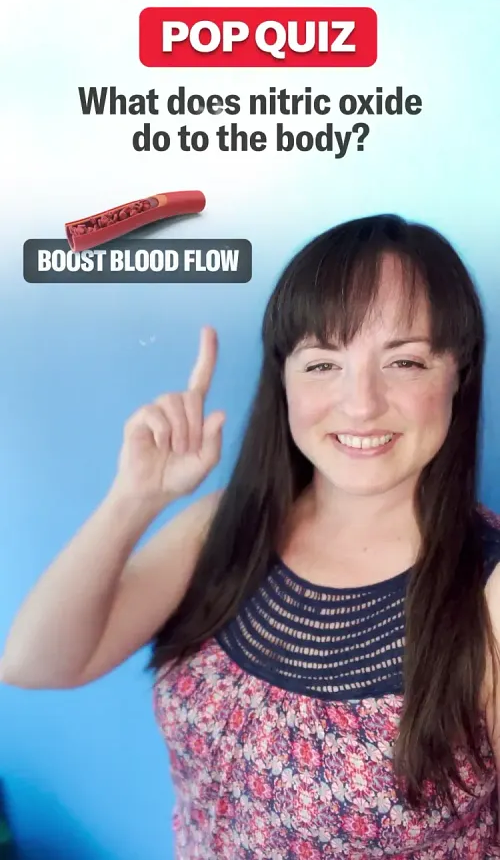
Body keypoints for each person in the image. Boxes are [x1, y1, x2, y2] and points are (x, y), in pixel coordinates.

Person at [2, 214, 500, 859]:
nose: (361, 403)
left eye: (404, 361)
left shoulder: (487, 590)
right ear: (284, 378)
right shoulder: (227, 526)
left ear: (458, 372)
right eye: (323, 363)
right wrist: (135, 498)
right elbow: (36, 663)